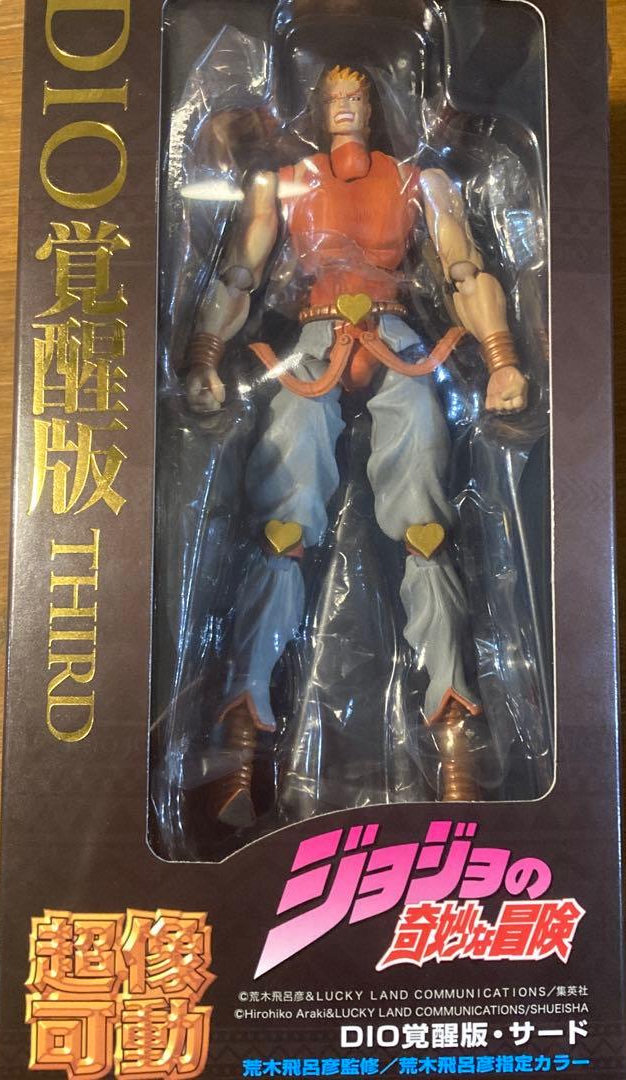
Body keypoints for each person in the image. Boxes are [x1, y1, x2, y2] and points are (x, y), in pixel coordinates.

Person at [185, 65, 528, 826]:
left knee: (426, 530)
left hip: (397, 339)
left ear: (372, 109)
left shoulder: (418, 181)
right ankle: (242, 730)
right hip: (312, 341)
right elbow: (241, 272)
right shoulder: (284, 181)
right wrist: (206, 354)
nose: (344, 110)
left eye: (356, 99)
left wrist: (501, 357)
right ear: (320, 109)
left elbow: (463, 267)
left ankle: (455, 739)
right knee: (283, 526)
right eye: (334, 100)